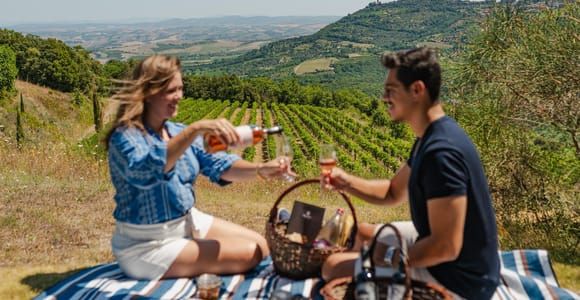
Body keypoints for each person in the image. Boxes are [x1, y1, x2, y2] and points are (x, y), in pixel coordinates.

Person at [321, 48, 500, 299]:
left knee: (332, 268)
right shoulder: (430, 136)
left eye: (391, 90)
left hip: (459, 280)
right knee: (361, 233)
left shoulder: (441, 153)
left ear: (417, 90)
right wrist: (346, 182)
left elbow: (445, 247)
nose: (384, 98)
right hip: (441, 251)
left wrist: (387, 259)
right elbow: (393, 191)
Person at [105, 55, 294, 280]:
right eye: (171, 91)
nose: (179, 97)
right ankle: (185, 257)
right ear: (148, 93)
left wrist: (261, 169)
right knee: (250, 254)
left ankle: (193, 251)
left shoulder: (177, 131)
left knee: (260, 246)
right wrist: (195, 129)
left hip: (186, 222)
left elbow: (221, 165)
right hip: (148, 243)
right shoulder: (126, 137)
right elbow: (150, 169)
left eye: (180, 89)